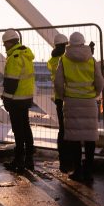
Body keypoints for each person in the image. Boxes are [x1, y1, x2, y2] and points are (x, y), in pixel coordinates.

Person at [53, 31, 103, 183]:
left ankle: (77, 171)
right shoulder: (91, 60)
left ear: (69, 44)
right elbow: (100, 81)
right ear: (83, 43)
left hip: (72, 102)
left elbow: (58, 83)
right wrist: (94, 94)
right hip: (89, 101)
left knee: (74, 138)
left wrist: (63, 96)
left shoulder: (64, 60)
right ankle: (88, 172)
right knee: (90, 138)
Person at [0, 29, 35, 171]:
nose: (4, 46)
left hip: (16, 100)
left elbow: (11, 82)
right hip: (26, 98)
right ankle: (29, 160)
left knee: (18, 130)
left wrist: (6, 99)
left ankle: (19, 161)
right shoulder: (25, 55)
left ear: (10, 42)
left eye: (5, 43)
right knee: (26, 128)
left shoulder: (14, 57)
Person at [46, 32, 73, 172]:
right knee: (72, 130)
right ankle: (72, 161)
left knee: (62, 130)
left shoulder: (52, 61)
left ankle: (63, 161)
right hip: (69, 97)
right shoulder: (65, 59)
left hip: (58, 98)